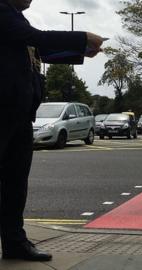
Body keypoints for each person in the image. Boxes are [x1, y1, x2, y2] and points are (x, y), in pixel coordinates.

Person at [0, 0, 104, 261]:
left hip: (20, 114)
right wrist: (82, 38)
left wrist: (79, 53)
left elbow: (35, 49)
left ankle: (14, 242)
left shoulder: (14, 17)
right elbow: (35, 37)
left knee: (16, 183)